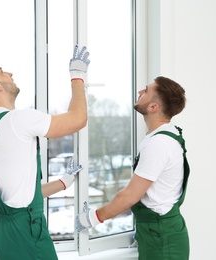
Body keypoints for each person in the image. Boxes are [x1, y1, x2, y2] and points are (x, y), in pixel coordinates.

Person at [0, 45, 90, 260]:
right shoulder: (17, 120)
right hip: (23, 233)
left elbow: (16, 196)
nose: (10, 74)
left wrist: (62, 183)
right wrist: (78, 78)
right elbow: (78, 119)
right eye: (2, 71)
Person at [76, 76, 190, 260]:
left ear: (154, 107)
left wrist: (93, 217)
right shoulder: (164, 136)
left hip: (162, 241)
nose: (140, 92)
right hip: (157, 235)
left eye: (146, 90)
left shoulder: (159, 144)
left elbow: (129, 195)